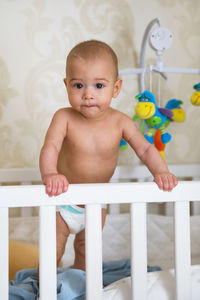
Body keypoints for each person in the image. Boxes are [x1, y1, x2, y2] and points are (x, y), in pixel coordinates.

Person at [39, 40, 178, 271]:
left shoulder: (120, 122)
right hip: (61, 201)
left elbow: (145, 149)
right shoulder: (63, 117)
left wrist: (161, 172)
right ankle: (46, 291)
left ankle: (79, 288)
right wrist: (50, 173)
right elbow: (50, 147)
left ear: (116, 88)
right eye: (78, 86)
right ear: (66, 86)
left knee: (86, 252)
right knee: (52, 251)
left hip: (96, 203)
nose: (88, 95)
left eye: (99, 86)